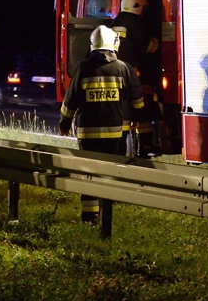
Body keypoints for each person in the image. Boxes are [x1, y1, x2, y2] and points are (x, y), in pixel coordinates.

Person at [59, 25, 144, 223]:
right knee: (109, 170)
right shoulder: (123, 68)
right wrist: (137, 116)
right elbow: (136, 96)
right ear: (114, 44)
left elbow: (70, 100)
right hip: (114, 132)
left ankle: (90, 215)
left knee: (89, 173)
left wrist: (65, 122)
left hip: (88, 134)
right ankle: (107, 211)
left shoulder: (82, 68)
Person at [110, 0, 162, 156]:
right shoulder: (136, 23)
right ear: (137, 7)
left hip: (114, 72)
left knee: (123, 108)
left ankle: (128, 147)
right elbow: (149, 47)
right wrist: (156, 40)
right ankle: (145, 146)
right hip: (131, 73)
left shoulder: (116, 21)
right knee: (140, 106)